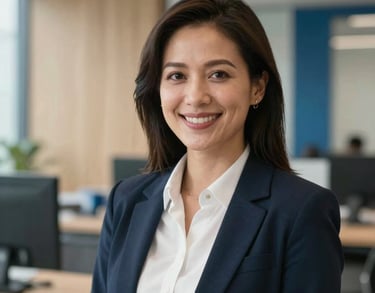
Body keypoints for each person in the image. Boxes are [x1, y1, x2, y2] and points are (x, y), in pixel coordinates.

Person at [92, 0, 343, 292]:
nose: (196, 96)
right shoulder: (126, 201)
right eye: (177, 76)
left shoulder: (301, 211)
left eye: (218, 74)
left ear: (257, 87)